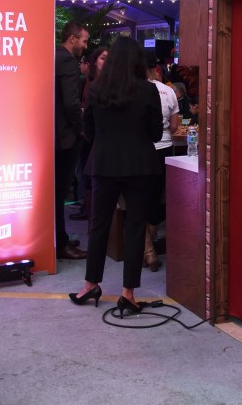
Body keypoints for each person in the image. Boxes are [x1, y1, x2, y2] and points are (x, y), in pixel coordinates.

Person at [69, 37, 162, 314]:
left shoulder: (97, 90)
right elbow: (156, 133)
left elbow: (89, 131)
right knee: (134, 228)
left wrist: (106, 146)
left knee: (98, 226)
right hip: (140, 167)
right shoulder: (148, 91)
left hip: (104, 166)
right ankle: (128, 293)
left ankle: (90, 284)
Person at [55, 21, 89, 260]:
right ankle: (61, 244)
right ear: (73, 39)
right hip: (65, 137)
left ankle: (60, 239)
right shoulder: (67, 60)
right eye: (84, 40)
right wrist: (81, 129)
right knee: (59, 192)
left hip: (54, 135)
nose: (85, 46)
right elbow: (70, 102)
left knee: (56, 193)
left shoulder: (53, 57)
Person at [144, 52, 180, 271]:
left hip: (141, 150)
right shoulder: (168, 91)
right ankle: (149, 246)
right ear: (156, 68)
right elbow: (175, 127)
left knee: (140, 198)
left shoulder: (133, 90)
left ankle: (147, 248)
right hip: (164, 147)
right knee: (158, 198)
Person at [70, 47, 108, 222]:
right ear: (94, 61)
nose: (105, 62)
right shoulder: (86, 81)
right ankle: (88, 210)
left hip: (104, 136)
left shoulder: (113, 83)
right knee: (86, 173)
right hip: (89, 135)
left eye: (108, 58)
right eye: (102, 58)